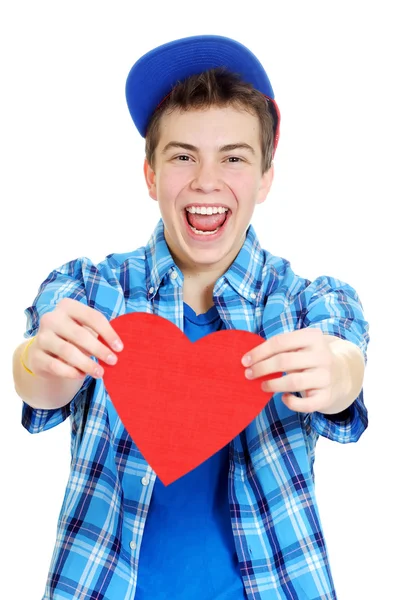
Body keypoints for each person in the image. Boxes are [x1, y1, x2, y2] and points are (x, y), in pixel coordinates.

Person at [13, 35, 369, 600]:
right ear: (151, 175)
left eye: (233, 157)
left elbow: (347, 360)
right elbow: (37, 380)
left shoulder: (305, 303)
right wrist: (41, 359)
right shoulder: (91, 289)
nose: (206, 181)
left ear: (265, 179)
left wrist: (337, 373)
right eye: (182, 156)